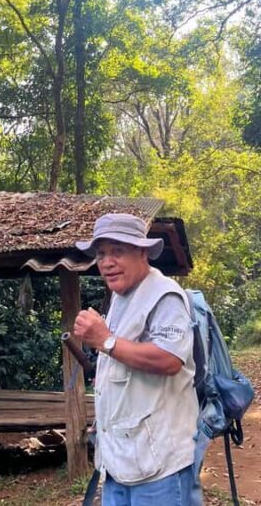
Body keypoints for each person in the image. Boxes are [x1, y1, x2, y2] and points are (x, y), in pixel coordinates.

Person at [73, 212, 199, 505]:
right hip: (120, 461)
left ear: (142, 252)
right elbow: (123, 361)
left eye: (118, 251)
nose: (107, 262)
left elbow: (169, 359)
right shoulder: (121, 296)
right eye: (101, 254)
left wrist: (104, 339)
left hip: (160, 467)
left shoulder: (165, 296)